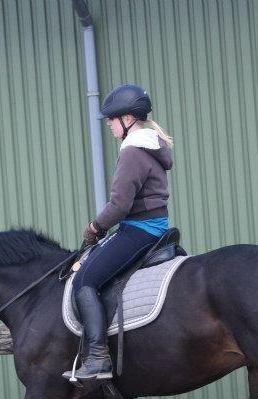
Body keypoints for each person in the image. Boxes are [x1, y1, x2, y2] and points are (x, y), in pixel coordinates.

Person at [64, 83, 175, 381]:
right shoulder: (151, 147)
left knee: (84, 280)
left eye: (112, 119)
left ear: (127, 119)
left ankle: (98, 357)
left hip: (139, 230)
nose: (110, 125)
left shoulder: (132, 152)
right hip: (155, 226)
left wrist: (94, 227)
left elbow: (119, 205)